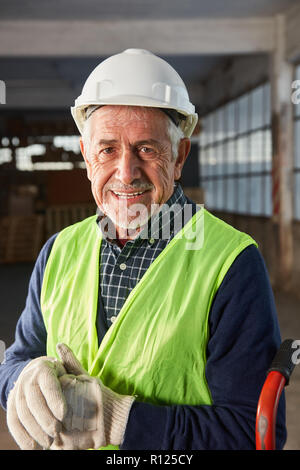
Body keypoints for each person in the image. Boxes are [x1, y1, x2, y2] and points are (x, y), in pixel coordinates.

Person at [0, 49, 286, 450]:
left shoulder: (232, 264)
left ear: (180, 157)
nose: (126, 172)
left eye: (147, 149)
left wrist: (119, 420)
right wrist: (22, 379)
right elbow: (16, 358)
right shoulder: (58, 251)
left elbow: (251, 432)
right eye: (108, 150)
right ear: (86, 157)